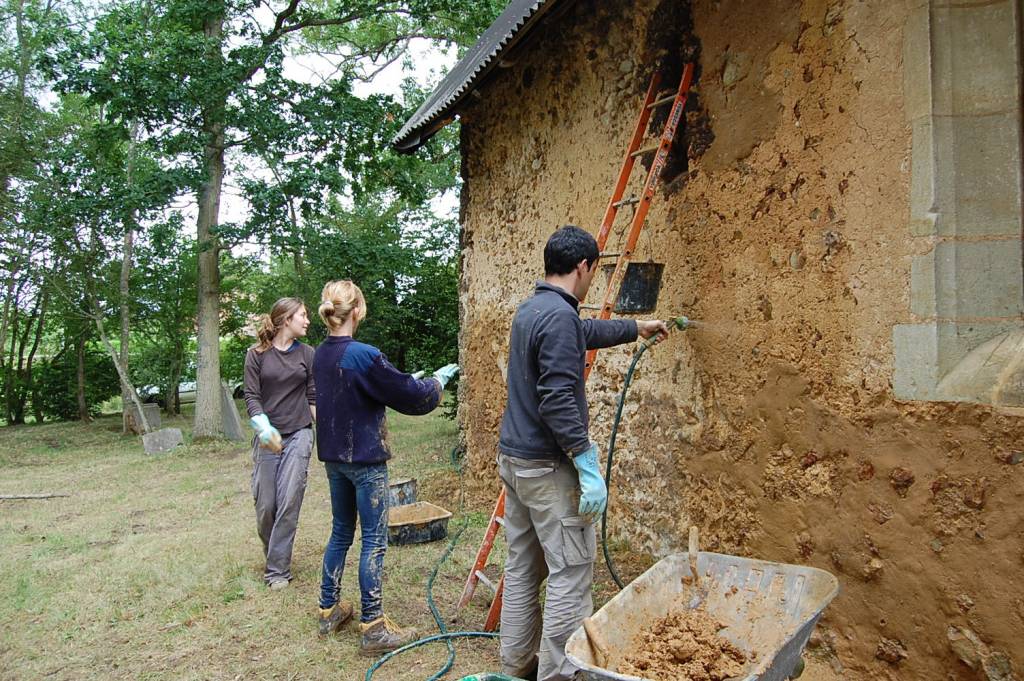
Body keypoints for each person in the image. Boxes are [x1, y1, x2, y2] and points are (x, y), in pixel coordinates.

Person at [497, 225, 669, 681]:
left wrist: (636, 327)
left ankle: (516, 665)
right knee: (570, 572)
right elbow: (557, 398)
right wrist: (586, 462)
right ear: (583, 267)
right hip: (547, 468)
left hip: (515, 462)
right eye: (594, 271)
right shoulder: (557, 318)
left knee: (521, 566)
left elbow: (581, 330)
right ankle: (560, 675)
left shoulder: (535, 309)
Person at [313, 279, 459, 649]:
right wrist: (436, 384)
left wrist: (410, 381)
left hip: (334, 459)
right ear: (357, 311)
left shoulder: (321, 353)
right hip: (365, 461)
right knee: (375, 540)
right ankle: (374, 626)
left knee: (342, 531)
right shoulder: (363, 354)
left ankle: (328, 610)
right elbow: (410, 396)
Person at [243, 297, 317, 591]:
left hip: (299, 433)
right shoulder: (256, 354)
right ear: (286, 319)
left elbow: (313, 397)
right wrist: (264, 428)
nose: (307, 320)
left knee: (289, 501)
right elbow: (251, 395)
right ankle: (273, 552)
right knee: (266, 506)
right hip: (268, 437)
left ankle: (277, 571)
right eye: (302, 315)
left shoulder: (308, 354)